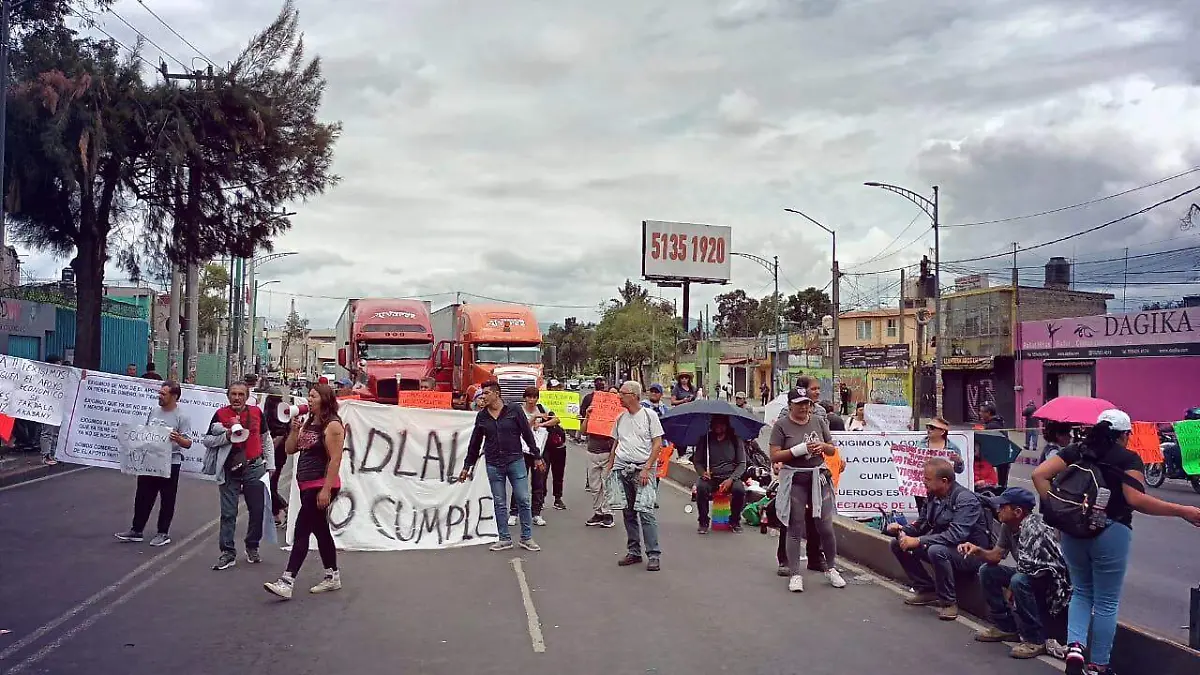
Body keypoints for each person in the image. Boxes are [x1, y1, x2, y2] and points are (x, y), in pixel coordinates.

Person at [1032, 409, 1200, 675]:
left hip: (1074, 531)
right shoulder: (1128, 458)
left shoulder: (1076, 450)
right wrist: (1182, 511)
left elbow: (1039, 475)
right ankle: (1098, 665)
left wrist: (1059, 512)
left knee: (1081, 592)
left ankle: (1075, 648)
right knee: (1107, 601)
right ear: (1124, 435)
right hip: (1111, 531)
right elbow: (1136, 500)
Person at [959, 487, 1071, 660]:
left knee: (1018, 581)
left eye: (1003, 507)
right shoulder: (1008, 526)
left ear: (1017, 511)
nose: (998, 510)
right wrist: (978, 551)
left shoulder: (1035, 529)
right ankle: (1005, 626)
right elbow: (996, 556)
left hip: (1050, 582)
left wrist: (1012, 586)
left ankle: (1035, 639)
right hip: (1028, 573)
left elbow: (1039, 570)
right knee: (987, 571)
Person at [264, 383, 346, 599]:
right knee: (320, 531)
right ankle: (332, 576)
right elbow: (291, 449)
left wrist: (326, 490)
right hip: (306, 485)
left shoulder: (333, 425)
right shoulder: (308, 423)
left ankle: (287, 580)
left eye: (314, 396)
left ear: (325, 400)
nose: (309, 400)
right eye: (308, 396)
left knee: (301, 530)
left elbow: (335, 459)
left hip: (321, 485)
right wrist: (293, 430)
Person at [886, 457, 991, 620]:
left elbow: (955, 535)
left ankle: (949, 602)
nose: (923, 482)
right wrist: (901, 530)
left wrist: (919, 541)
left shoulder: (965, 499)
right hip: (945, 547)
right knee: (897, 544)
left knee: (936, 550)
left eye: (927, 479)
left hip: (971, 554)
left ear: (944, 481)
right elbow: (921, 525)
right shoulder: (932, 496)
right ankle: (926, 589)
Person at [769, 388, 846, 592]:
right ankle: (795, 573)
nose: (804, 407)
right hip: (795, 479)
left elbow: (832, 449)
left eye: (807, 403)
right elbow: (775, 456)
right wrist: (799, 450)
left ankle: (831, 569)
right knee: (795, 526)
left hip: (818, 477)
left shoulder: (819, 422)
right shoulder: (781, 426)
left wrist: (822, 447)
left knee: (825, 526)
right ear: (790, 405)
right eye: (799, 403)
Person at [459, 381, 544, 552]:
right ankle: (504, 538)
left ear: (497, 394)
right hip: (493, 464)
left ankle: (526, 537)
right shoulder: (482, 416)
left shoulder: (514, 410)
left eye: (487, 393)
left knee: (523, 499)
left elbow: (527, 434)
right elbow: (475, 443)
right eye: (482, 393)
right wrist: (467, 466)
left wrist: (536, 456)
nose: (483, 396)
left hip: (515, 460)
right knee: (499, 502)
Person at [203, 381, 273, 570]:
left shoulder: (257, 413)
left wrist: (271, 465)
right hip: (229, 468)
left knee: (257, 510)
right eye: (233, 394)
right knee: (228, 512)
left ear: (247, 396)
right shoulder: (220, 415)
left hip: (254, 466)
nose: (237, 398)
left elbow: (266, 439)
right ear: (228, 396)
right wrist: (226, 435)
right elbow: (207, 440)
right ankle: (227, 552)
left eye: (241, 394)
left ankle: (252, 546)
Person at [115, 380, 193, 547]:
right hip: (150, 461)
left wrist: (178, 438)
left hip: (171, 463)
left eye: (163, 394)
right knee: (142, 496)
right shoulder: (154, 411)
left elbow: (188, 442)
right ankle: (136, 530)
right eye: (159, 393)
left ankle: (163, 533)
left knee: (167, 499)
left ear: (174, 396)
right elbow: (147, 432)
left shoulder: (182, 416)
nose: (159, 396)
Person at [606, 381, 666, 571]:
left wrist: (647, 468)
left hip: (643, 470)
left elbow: (657, 444)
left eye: (622, 393)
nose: (619, 397)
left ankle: (653, 554)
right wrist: (610, 466)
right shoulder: (620, 418)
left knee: (646, 512)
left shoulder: (649, 416)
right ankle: (634, 551)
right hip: (622, 468)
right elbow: (616, 444)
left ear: (633, 395)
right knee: (628, 512)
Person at [692, 415, 748, 534]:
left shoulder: (735, 439)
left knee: (739, 490)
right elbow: (697, 461)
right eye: (715, 424)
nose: (718, 427)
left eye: (721, 424)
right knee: (701, 487)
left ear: (726, 425)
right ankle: (703, 521)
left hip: (730, 476)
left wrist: (731, 479)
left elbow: (742, 464)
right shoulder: (705, 439)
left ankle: (734, 520)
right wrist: (702, 473)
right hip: (711, 477)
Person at [510, 386, 554, 526]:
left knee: (539, 482)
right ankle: (514, 512)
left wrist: (543, 424)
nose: (531, 400)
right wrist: (533, 418)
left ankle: (536, 513)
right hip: (522, 450)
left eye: (534, 397)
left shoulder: (542, 408)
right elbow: (520, 429)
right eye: (529, 397)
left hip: (539, 451)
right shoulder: (519, 410)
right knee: (519, 481)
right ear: (525, 398)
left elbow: (556, 419)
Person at [580, 377, 616, 528]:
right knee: (595, 486)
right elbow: (582, 431)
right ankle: (598, 512)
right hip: (592, 451)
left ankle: (608, 514)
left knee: (607, 484)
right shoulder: (593, 411)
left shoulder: (618, 415)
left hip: (608, 452)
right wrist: (588, 416)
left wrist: (614, 454)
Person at [262, 386, 292, 527]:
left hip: (275, 454)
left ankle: (286, 509)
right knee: (269, 485)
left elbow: (279, 433)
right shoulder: (282, 409)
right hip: (278, 453)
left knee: (270, 485)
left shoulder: (274, 411)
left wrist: (269, 452)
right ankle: (277, 515)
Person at [979, 403, 1012, 488]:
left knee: (1000, 483)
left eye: (982, 411)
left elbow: (985, 442)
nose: (980, 413)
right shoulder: (998, 422)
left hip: (1000, 456)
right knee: (1002, 482)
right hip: (1003, 456)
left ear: (988, 413)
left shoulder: (992, 426)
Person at [39, 354, 64, 465]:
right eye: (58, 363)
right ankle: (46, 455)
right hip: (47, 408)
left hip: (58, 408)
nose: (60, 365)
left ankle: (53, 454)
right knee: (47, 432)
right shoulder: (44, 376)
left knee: (56, 433)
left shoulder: (62, 376)